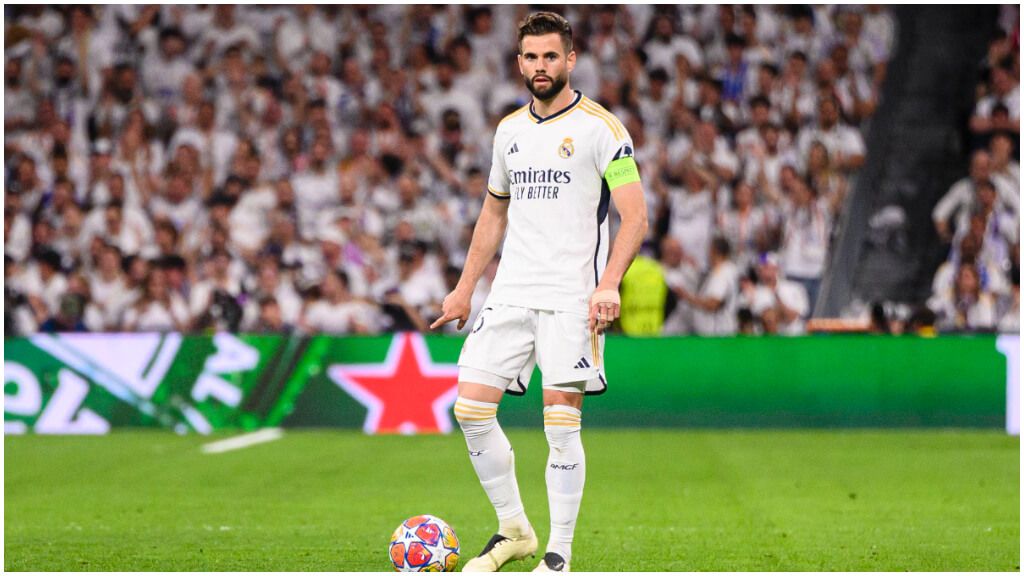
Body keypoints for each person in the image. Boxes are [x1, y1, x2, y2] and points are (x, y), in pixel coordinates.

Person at [429, 12, 648, 573]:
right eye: (531, 57)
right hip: (511, 292)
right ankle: (514, 530)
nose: (540, 67)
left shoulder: (604, 128)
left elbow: (635, 217)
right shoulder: (509, 131)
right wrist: (463, 289)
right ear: (519, 62)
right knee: (471, 410)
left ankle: (558, 555)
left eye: (551, 56)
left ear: (570, 60)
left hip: (573, 298)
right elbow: (492, 213)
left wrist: (608, 284)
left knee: (560, 424)